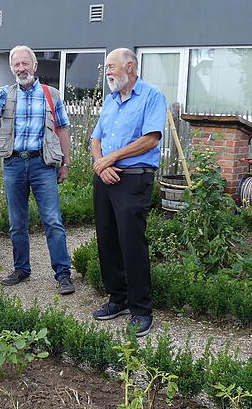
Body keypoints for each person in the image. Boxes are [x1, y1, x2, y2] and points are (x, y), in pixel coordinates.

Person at [0, 45, 75, 295]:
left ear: (35, 66)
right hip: (13, 164)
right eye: (16, 65)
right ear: (12, 68)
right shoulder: (5, 93)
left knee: (53, 221)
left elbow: (62, 128)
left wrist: (65, 163)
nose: (21, 68)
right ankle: (21, 269)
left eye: (25, 64)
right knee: (17, 222)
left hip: (43, 164)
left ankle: (63, 274)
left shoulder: (51, 94)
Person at [90, 48, 166, 337]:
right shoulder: (110, 101)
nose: (107, 72)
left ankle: (141, 309)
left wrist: (111, 159)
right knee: (107, 240)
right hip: (105, 177)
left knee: (131, 242)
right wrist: (101, 164)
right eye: (107, 67)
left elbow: (150, 139)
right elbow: (96, 138)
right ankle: (117, 299)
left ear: (130, 67)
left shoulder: (151, 96)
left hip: (133, 179)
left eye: (112, 66)